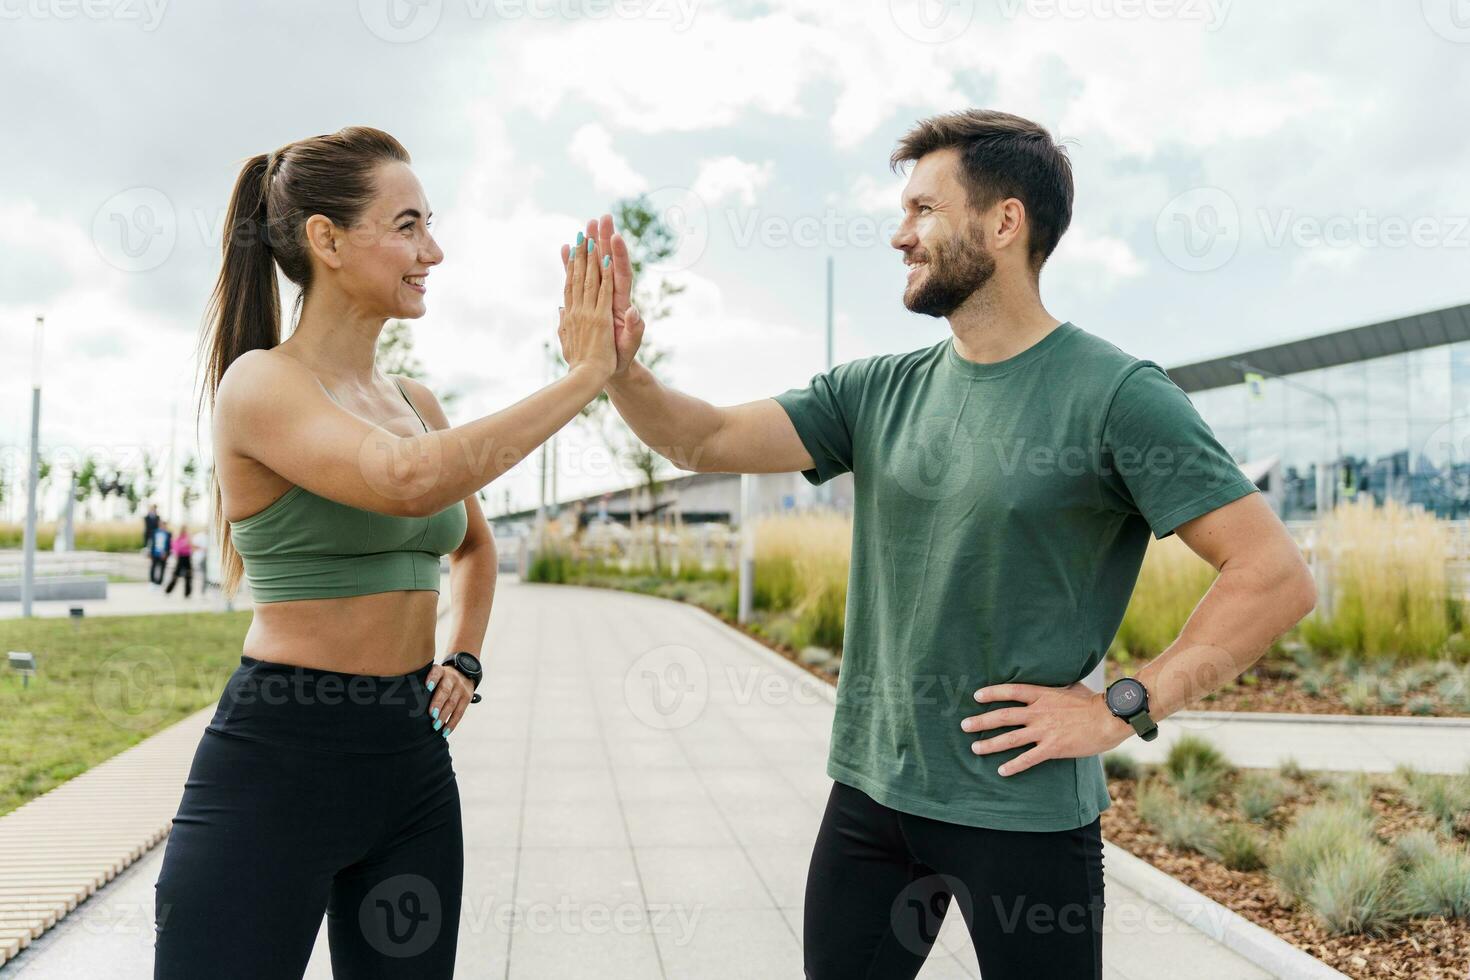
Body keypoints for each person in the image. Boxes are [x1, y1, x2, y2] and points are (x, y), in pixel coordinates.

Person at [584, 110, 1318, 980]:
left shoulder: (1118, 394)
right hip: (871, 802)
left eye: (924, 210)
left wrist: (1122, 705)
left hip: (1025, 818)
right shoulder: (875, 390)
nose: (901, 235)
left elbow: (1273, 576)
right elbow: (700, 441)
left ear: (1004, 223)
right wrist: (620, 372)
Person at [154, 126, 617, 979]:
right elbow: (406, 482)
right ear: (326, 239)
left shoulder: (414, 401)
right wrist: (582, 378)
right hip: (281, 756)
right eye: (408, 225)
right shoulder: (260, 384)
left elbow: (475, 547)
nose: (432, 250)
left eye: (429, 224)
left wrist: (464, 657)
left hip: (408, 759)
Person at [164, 523, 193, 597]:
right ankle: (168, 590)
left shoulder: (187, 537)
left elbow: (190, 545)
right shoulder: (178, 537)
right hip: (181, 557)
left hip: (187, 557)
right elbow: (175, 546)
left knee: (188, 574)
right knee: (176, 574)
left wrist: (189, 539)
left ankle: (187, 593)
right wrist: (176, 554)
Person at [148, 520, 171, 589]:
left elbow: (169, 545)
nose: (163, 526)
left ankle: (159, 583)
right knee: (153, 567)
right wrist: (150, 553)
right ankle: (152, 582)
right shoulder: (154, 532)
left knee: (162, 568)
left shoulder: (168, 533)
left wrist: (166, 553)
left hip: (163, 554)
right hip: (155, 553)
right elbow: (151, 543)